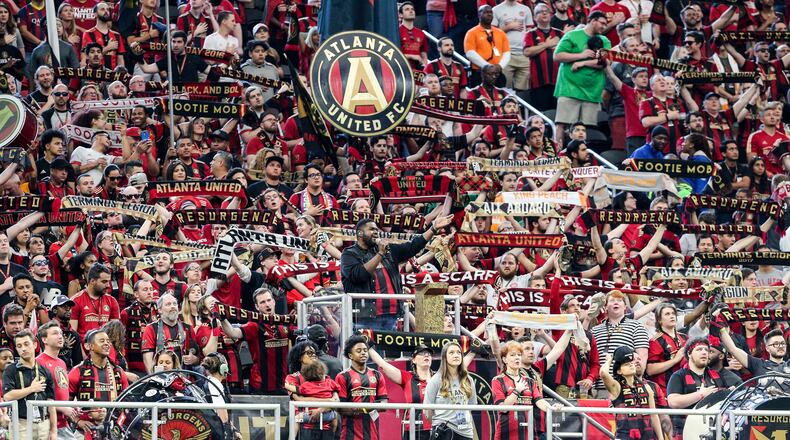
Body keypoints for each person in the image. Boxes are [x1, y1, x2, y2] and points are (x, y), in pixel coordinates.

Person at [340, 215, 454, 331]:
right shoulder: (349, 254)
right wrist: (380, 254)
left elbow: (413, 246)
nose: (376, 232)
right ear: (359, 234)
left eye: (376, 230)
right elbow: (359, 275)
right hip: (365, 318)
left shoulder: (389, 251)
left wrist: (433, 229)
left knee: (389, 349)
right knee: (370, 348)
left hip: (391, 316)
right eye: (371, 229)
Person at [220, 287, 294, 394]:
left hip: (283, 384)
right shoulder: (254, 325)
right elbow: (233, 333)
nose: (267, 304)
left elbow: (301, 332)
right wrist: (222, 318)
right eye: (262, 302)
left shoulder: (285, 322)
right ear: (257, 306)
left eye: (269, 300)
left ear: (274, 302)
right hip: (260, 386)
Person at [552, 10, 611, 144]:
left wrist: (583, 63)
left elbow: (606, 62)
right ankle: (558, 155)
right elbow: (557, 56)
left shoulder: (604, 40)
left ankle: (582, 157)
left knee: (585, 129)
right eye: (601, 23)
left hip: (592, 91)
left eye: (605, 24)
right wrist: (581, 55)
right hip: (569, 88)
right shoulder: (572, 36)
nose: (603, 26)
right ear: (592, 20)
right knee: (562, 124)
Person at [492, 341, 561, 440]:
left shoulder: (530, 381)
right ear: (504, 359)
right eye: (512, 355)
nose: (517, 357)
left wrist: (551, 407)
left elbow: (539, 401)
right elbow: (503, 408)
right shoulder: (497, 380)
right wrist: (517, 391)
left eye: (519, 355)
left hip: (528, 432)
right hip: (506, 432)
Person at [68, 329, 129, 435]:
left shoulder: (119, 372)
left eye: (108, 341)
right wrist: (78, 421)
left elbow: (127, 403)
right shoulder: (77, 371)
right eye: (102, 341)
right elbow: (65, 404)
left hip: (114, 430)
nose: (106, 343)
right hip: (85, 431)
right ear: (88, 346)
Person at [369, 344, 434, 440]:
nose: (426, 355)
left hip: (438, 428)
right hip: (414, 430)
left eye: (429, 354)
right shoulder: (407, 377)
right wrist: (368, 346)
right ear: (414, 360)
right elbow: (383, 364)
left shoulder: (439, 378)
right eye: (422, 353)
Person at [3, 330, 57, 440]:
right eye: (19, 346)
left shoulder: (45, 371)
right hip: (21, 424)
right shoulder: (10, 370)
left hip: (43, 423)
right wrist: (32, 389)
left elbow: (51, 403)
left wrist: (53, 430)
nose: (23, 348)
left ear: (34, 344)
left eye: (26, 344)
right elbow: (7, 396)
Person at [666, 338, 725, 437]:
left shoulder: (717, 376)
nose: (704, 353)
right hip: (685, 429)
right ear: (689, 354)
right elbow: (673, 402)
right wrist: (700, 395)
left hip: (711, 430)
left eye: (707, 350)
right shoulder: (678, 376)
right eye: (699, 349)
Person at [601, 346, 663, 440]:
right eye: (626, 364)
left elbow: (654, 416)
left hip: (647, 436)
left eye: (631, 363)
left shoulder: (647, 387)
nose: (631, 365)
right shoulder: (616, 387)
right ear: (619, 371)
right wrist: (610, 359)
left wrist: (661, 438)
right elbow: (603, 373)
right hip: (624, 437)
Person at [335, 335, 388, 440]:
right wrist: (365, 408)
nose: (363, 353)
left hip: (373, 433)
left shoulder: (377, 375)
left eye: (365, 350)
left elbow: (384, 405)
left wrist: (360, 408)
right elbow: (341, 408)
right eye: (358, 351)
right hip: (349, 434)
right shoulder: (342, 376)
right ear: (351, 355)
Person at [424, 341, 476, 440]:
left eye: (458, 352)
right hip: (443, 431)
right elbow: (427, 411)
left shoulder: (468, 380)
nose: (456, 355)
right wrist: (438, 424)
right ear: (445, 357)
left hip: (466, 433)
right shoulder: (436, 380)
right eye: (451, 353)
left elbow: (472, 406)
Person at [140, 293, 204, 374]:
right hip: (161, 377)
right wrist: (154, 379)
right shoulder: (151, 328)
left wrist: (194, 359)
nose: (173, 306)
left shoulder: (188, 328)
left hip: (184, 377)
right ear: (159, 310)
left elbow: (198, 357)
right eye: (168, 304)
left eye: (174, 304)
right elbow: (147, 359)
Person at [36, 322, 76, 440]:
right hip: (48, 424)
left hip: (64, 423)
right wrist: (62, 408)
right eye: (55, 333)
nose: (60, 336)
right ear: (44, 340)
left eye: (61, 333)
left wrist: (71, 408)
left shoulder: (62, 362)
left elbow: (62, 390)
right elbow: (39, 395)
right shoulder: (39, 362)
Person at [70, 263, 121, 343]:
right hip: (85, 349)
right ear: (92, 281)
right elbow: (73, 334)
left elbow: (115, 334)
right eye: (104, 282)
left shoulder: (112, 301)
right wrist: (82, 355)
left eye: (108, 281)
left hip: (106, 350)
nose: (108, 285)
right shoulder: (76, 301)